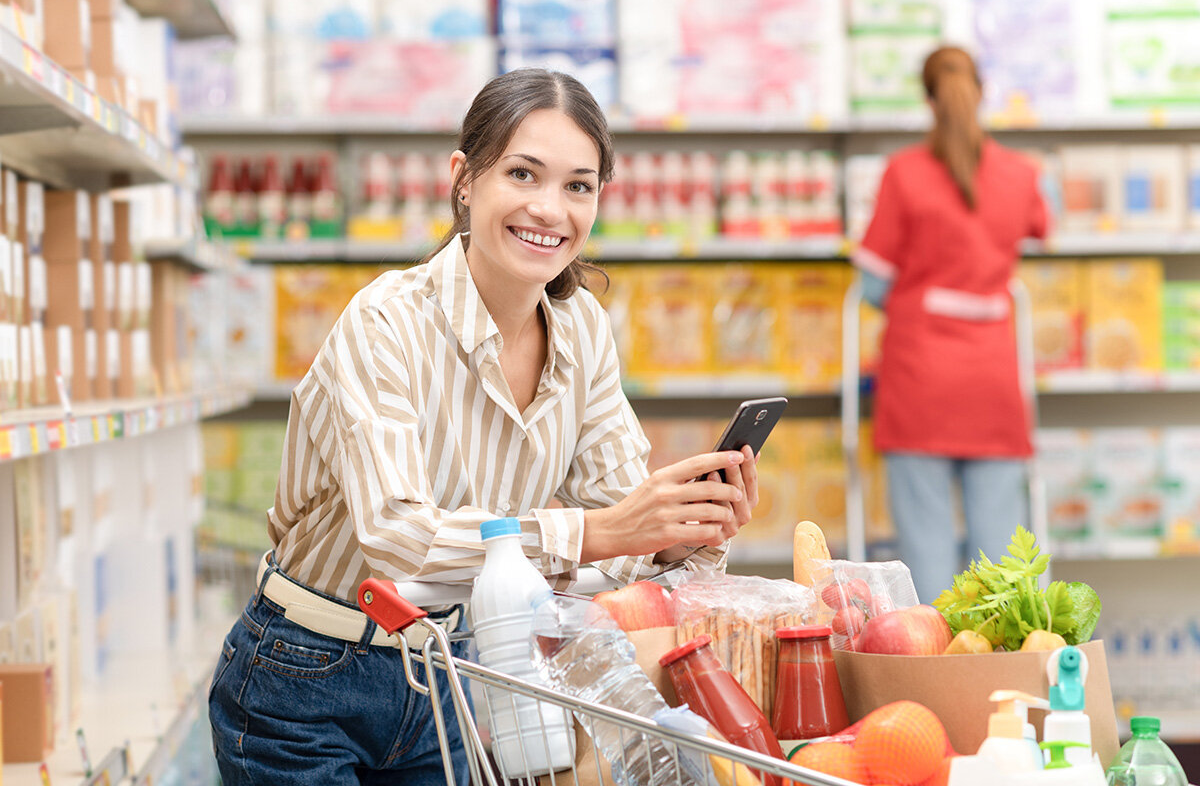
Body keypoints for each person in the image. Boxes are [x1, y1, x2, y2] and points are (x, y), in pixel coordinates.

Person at [208, 68, 760, 786]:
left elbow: (623, 526)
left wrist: (685, 529)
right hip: (305, 678)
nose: (549, 209)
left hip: (453, 673)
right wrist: (608, 530)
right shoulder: (385, 322)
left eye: (578, 186)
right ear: (464, 180)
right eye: (523, 173)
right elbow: (401, 544)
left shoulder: (581, 328)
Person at [851, 47, 1049, 603]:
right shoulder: (1018, 173)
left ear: (929, 100)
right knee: (1006, 555)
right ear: (981, 93)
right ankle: (1010, 673)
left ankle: (934, 676)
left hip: (921, 378)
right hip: (992, 376)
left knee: (927, 550)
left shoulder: (905, 173)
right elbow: (1042, 223)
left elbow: (872, 285)